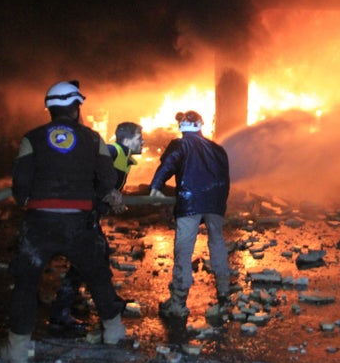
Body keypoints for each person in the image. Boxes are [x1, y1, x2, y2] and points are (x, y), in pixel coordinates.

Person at [0, 80, 127, 363]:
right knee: (97, 274)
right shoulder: (93, 139)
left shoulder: (31, 138)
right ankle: (113, 332)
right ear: (75, 108)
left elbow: (20, 183)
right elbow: (107, 180)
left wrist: (26, 199)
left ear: (50, 110)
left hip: (40, 223)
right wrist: (102, 200)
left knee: (25, 282)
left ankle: (17, 351)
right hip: (79, 223)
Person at [48, 122, 143, 331]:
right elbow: (89, 176)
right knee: (91, 257)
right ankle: (61, 311)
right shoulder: (111, 151)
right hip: (81, 215)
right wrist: (108, 194)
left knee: (97, 255)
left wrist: (110, 198)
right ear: (127, 140)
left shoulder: (122, 157)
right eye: (139, 137)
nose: (143, 141)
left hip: (88, 213)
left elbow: (105, 186)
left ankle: (96, 302)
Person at [148, 110, 231, 318]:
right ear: (201, 126)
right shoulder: (218, 149)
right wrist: (220, 204)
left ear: (181, 128)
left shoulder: (180, 144)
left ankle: (178, 302)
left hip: (190, 201)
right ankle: (223, 297)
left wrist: (156, 186)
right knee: (217, 243)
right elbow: (226, 179)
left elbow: (168, 164)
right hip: (215, 203)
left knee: (184, 250)